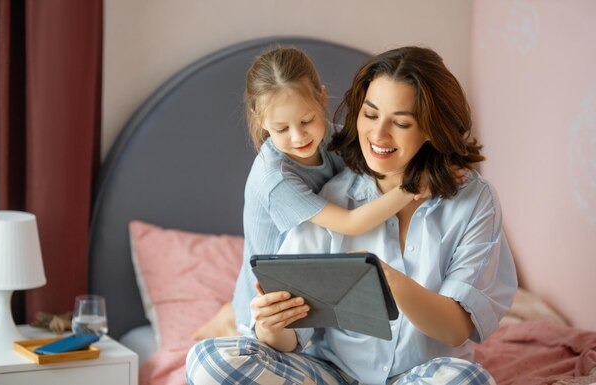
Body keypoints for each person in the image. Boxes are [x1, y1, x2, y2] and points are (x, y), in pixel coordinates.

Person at [187, 46, 517, 385]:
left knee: (468, 379)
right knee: (208, 361)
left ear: (433, 127)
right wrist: (273, 326)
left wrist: (386, 279)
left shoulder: (474, 201)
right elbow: (292, 337)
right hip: (332, 375)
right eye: (370, 115)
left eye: (401, 123)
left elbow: (455, 329)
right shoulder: (330, 194)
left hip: (421, 375)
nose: (378, 135)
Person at [232, 46, 434, 335]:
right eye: (281, 128)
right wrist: (411, 187)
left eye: (307, 120)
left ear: (322, 98)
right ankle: (230, 319)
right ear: (260, 119)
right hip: (272, 304)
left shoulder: (330, 136)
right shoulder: (274, 179)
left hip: (319, 274)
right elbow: (351, 224)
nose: (298, 136)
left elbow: (384, 156)